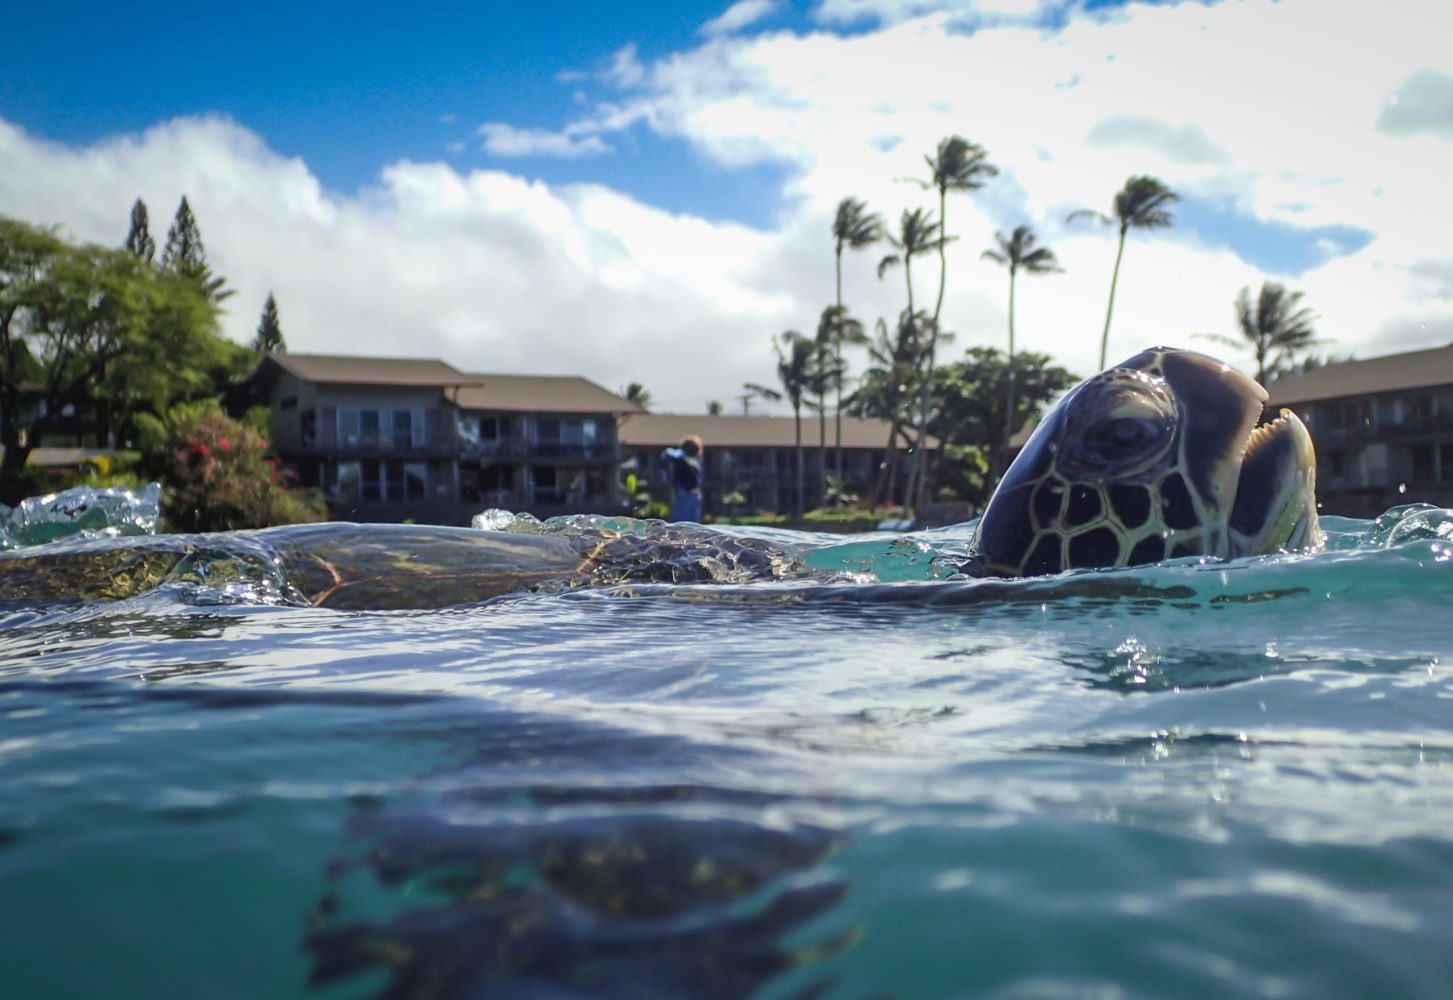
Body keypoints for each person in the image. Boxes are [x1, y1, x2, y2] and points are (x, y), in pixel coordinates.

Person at [661, 435, 703, 522]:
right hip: (695, 493)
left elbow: (668, 453)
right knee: (693, 524)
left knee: (677, 523)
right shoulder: (691, 460)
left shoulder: (683, 458)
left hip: (685, 493)